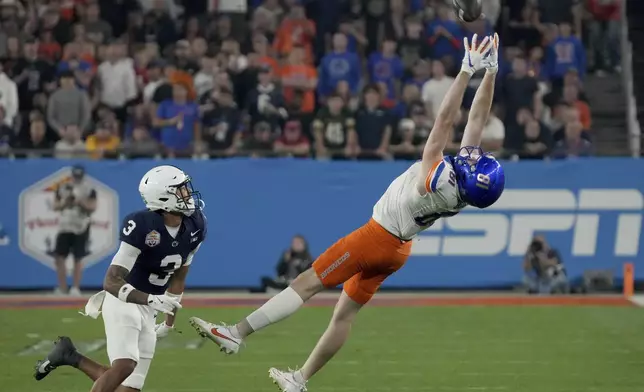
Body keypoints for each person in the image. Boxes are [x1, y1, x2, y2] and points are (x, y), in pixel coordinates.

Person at [189, 33, 505, 392]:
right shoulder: (463, 192)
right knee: (344, 315)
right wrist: (491, 71)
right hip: (399, 249)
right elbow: (476, 119)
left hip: (378, 236)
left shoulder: (439, 177)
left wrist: (466, 70)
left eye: (475, 160)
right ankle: (299, 380)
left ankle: (237, 333)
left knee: (306, 283)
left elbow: (445, 122)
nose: (472, 154)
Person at [33, 165, 207, 392]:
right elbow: (112, 280)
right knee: (125, 365)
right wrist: (149, 299)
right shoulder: (142, 225)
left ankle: (69, 355)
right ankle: (68, 355)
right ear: (163, 197)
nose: (188, 193)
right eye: (181, 189)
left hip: (149, 307)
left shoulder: (196, 224)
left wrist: (168, 322)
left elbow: (178, 277)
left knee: (129, 388)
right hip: (124, 298)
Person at [52, 165, 97, 296]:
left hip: (80, 225)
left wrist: (80, 202)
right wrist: (65, 202)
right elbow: (55, 206)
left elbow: (92, 206)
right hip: (65, 225)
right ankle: (62, 287)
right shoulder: (63, 187)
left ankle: (75, 288)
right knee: (60, 257)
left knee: (78, 257)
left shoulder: (89, 189)